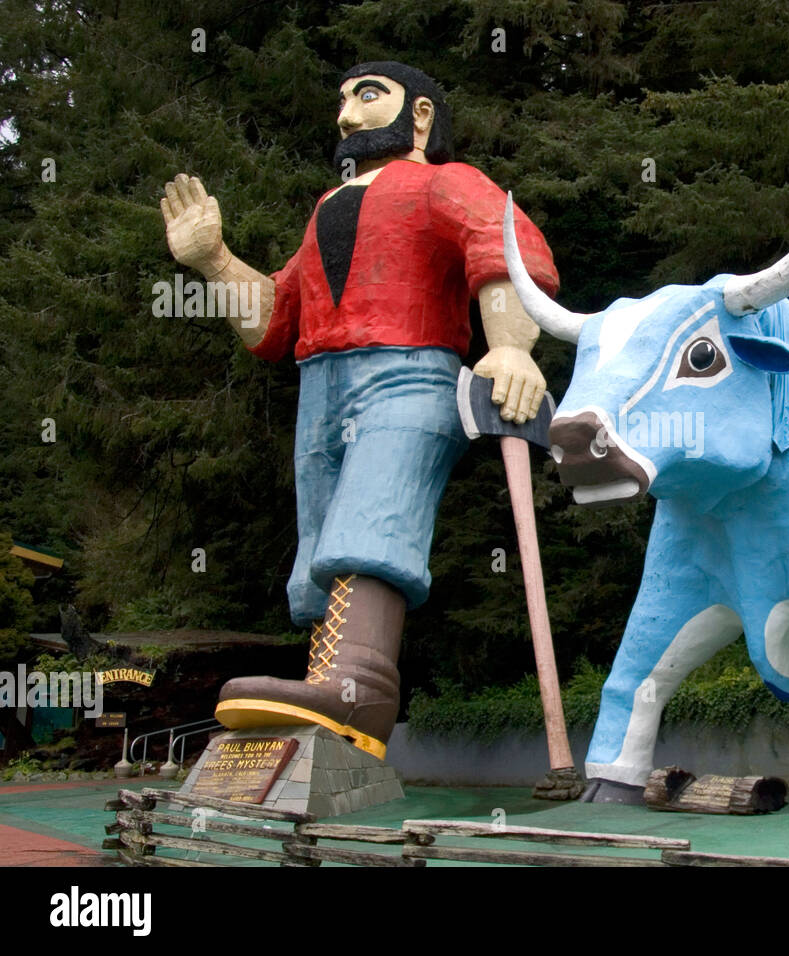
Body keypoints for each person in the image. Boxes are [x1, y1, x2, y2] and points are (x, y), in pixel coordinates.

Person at [160, 61, 559, 758]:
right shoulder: (326, 210)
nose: (345, 115)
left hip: (409, 370)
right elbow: (275, 323)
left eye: (367, 96)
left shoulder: (445, 181)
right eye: (342, 100)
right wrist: (217, 262)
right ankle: (327, 685)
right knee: (320, 534)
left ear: (422, 116)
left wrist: (510, 346)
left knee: (375, 507)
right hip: (322, 383)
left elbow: (500, 246)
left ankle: (362, 686)